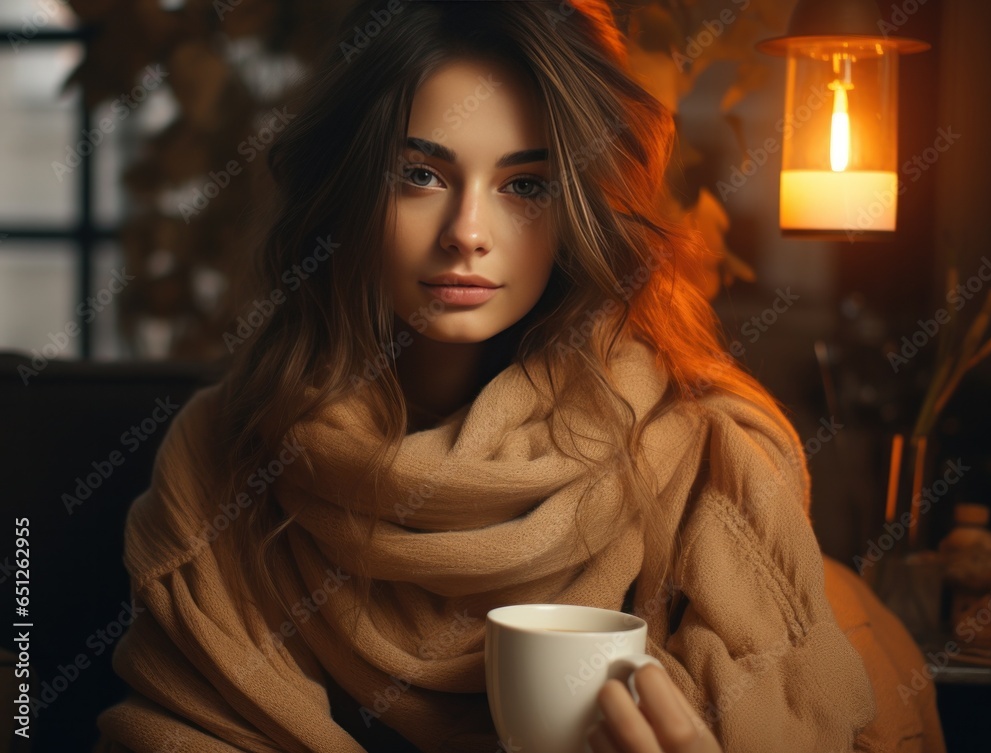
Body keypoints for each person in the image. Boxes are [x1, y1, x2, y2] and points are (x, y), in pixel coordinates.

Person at [93, 1, 944, 752]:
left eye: (525, 184)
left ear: (579, 206)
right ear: (349, 190)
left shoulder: (701, 455)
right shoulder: (224, 455)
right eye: (420, 173)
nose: (468, 230)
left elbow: (794, 711)